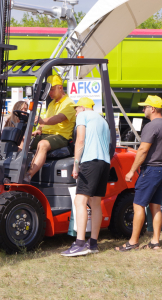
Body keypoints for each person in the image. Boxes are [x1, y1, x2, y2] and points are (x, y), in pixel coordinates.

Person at [115, 95, 162, 251]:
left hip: (151, 169)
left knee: (138, 204)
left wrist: (132, 170)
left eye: (145, 107)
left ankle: (133, 242)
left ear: (152, 109)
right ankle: (155, 242)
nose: (143, 109)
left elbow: (143, 150)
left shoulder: (151, 126)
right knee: (156, 206)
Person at [60, 97, 110, 257]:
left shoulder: (83, 116)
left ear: (82, 107)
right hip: (104, 162)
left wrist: (76, 164)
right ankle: (93, 243)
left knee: (79, 201)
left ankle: (80, 243)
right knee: (95, 203)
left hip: (90, 161)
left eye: (76, 109)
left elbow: (80, 140)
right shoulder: (103, 121)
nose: (75, 113)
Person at [25, 74, 76, 182]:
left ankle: (28, 176)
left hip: (61, 136)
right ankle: (15, 169)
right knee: (22, 139)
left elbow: (58, 118)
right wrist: (39, 129)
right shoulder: (51, 104)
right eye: (48, 90)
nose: (49, 93)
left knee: (42, 144)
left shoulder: (69, 104)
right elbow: (44, 122)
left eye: (52, 90)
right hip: (46, 134)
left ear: (60, 87)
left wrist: (42, 121)